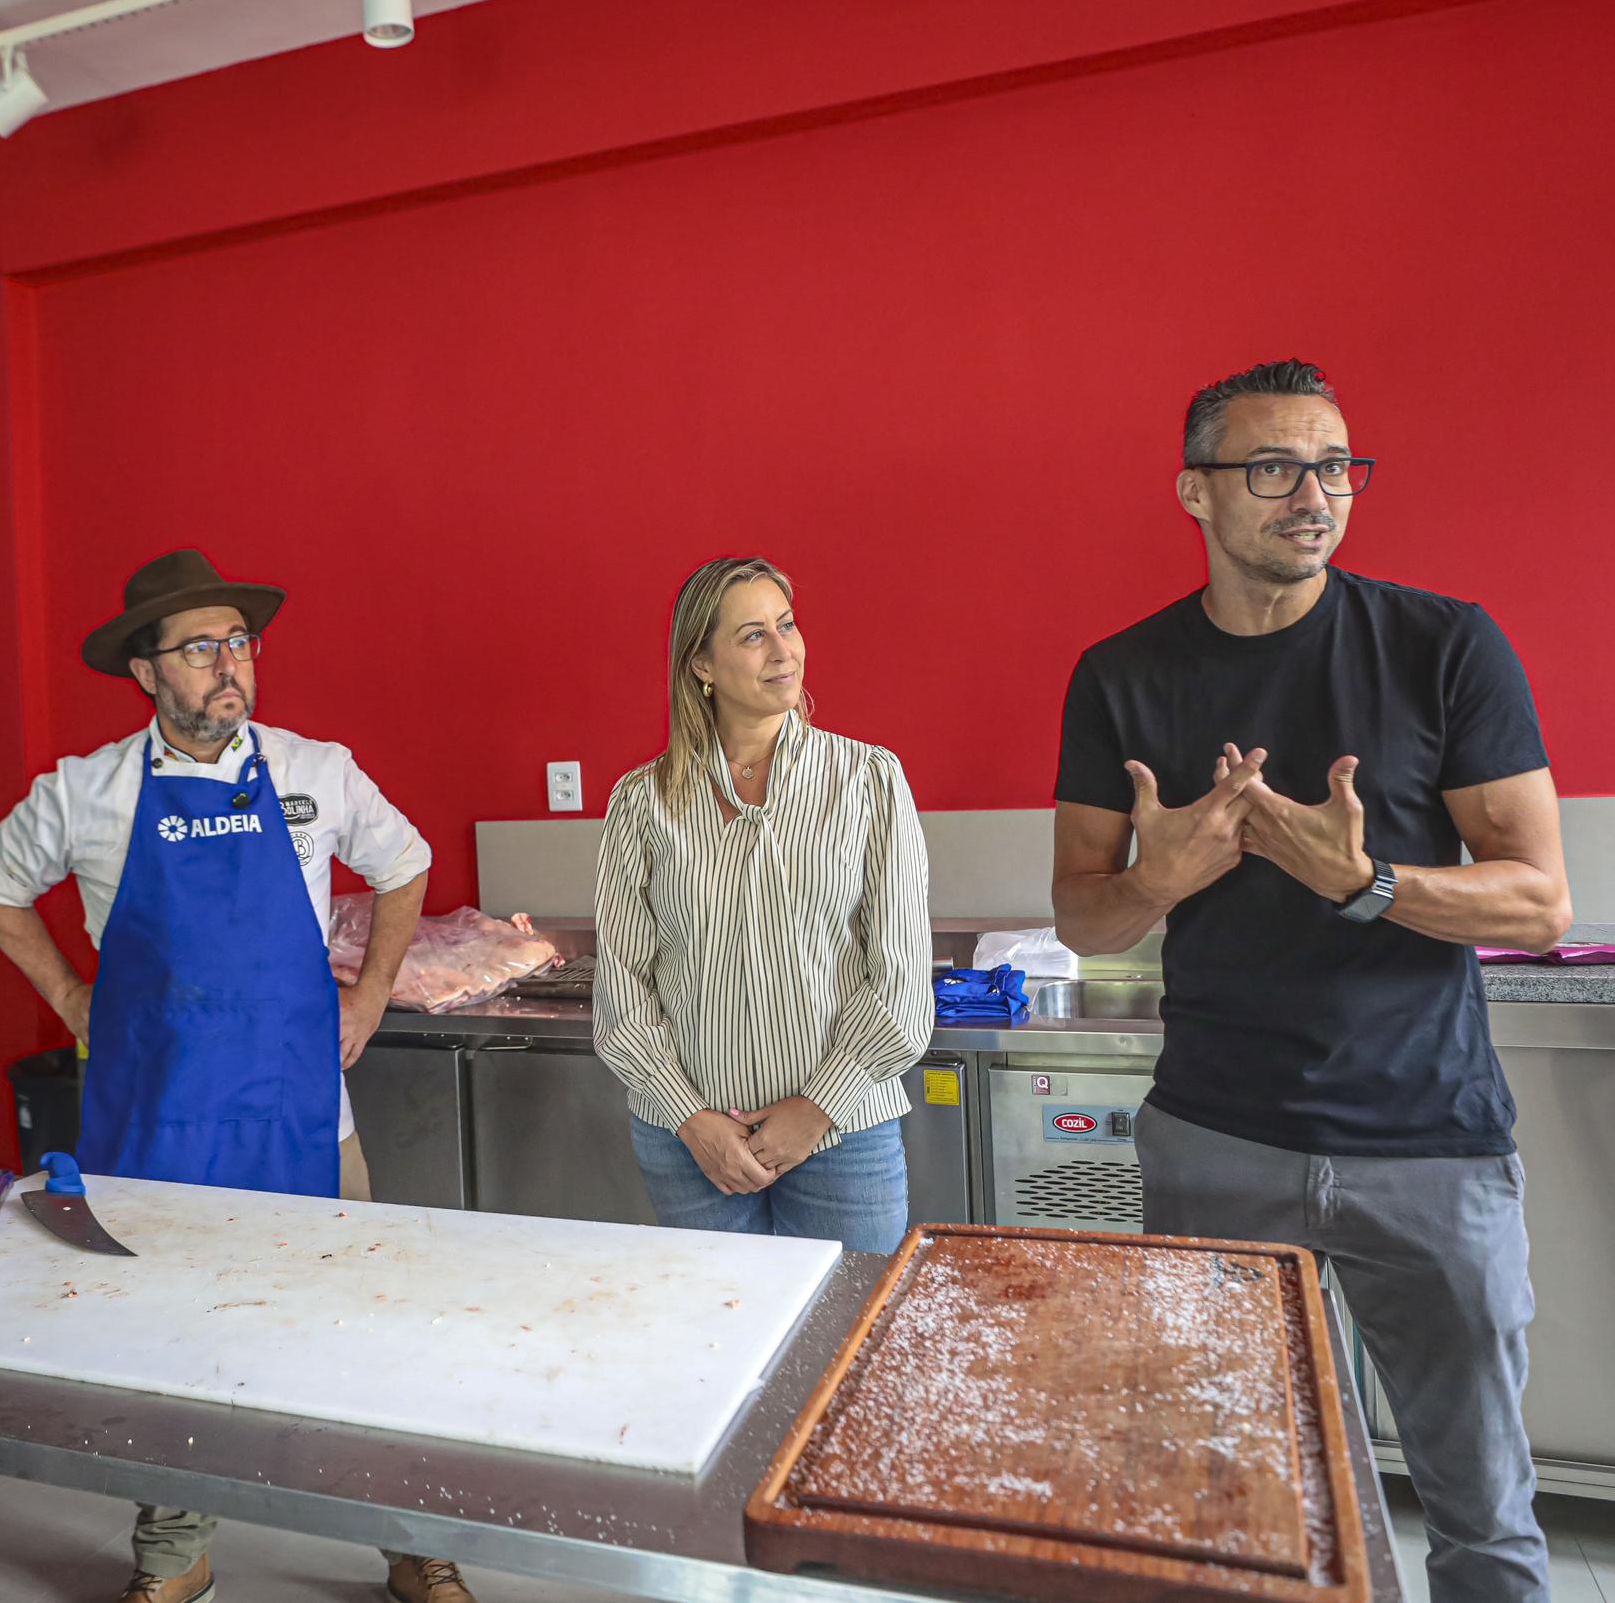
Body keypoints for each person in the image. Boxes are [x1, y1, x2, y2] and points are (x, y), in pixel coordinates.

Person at [1051, 360, 1571, 1603]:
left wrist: (1365, 881)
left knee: (1481, 1515)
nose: (1314, 494)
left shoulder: (1441, 645)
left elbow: (1539, 903)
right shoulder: (1120, 674)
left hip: (1426, 1144)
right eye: (1274, 467)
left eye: (1334, 466)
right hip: (1214, 1143)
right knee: (1236, 1512)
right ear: (1194, 491)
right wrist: (1159, 878)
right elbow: (1083, 916)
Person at [0, 548, 472, 1603]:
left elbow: (405, 861)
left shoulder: (314, 770)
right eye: (199, 648)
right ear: (145, 671)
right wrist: (68, 996)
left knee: (359, 1329)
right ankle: (174, 1555)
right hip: (159, 1128)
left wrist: (370, 995)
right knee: (165, 1346)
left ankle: (409, 1540)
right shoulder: (87, 791)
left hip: (305, 1116)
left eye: (238, 641)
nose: (227, 663)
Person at [593, 555, 932, 1253]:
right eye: (753, 635)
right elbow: (622, 985)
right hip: (691, 1145)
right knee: (717, 1325)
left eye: (787, 624)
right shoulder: (641, 802)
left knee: (847, 1322)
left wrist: (816, 1109)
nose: (784, 650)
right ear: (702, 665)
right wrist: (692, 1119)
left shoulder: (868, 779)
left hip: (842, 1135)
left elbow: (900, 979)